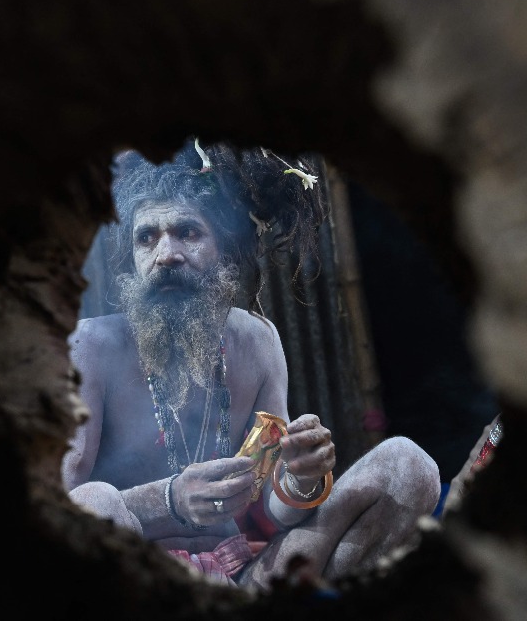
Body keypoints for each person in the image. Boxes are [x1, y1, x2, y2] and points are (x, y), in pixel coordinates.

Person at [64, 139, 441, 589]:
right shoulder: (90, 346)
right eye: (147, 237)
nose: (165, 254)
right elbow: (59, 507)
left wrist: (302, 477)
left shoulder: (258, 342)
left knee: (408, 464)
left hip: (251, 574)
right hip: (147, 581)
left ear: (225, 252)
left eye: (187, 232)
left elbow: (272, 515)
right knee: (95, 501)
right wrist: (171, 500)